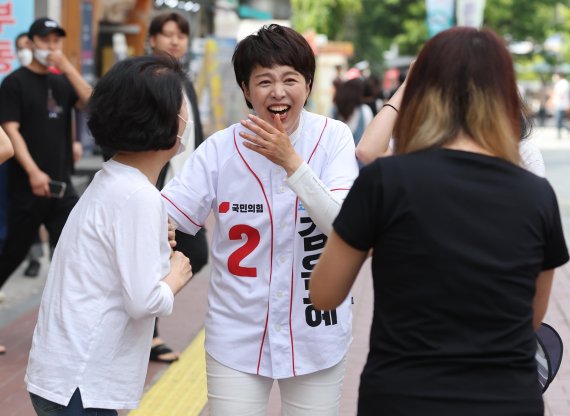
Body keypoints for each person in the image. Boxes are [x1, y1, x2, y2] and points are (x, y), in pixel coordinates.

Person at [310, 27, 569, 416]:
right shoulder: (536, 195)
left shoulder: (386, 182)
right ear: (504, 94)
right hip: (506, 399)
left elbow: (325, 294)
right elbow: (531, 315)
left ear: (423, 92)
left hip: (403, 397)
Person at [161, 24, 358, 415]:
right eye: (264, 81)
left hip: (316, 332)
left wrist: (291, 163)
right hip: (237, 333)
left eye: (290, 79)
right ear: (246, 90)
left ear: (308, 84)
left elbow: (344, 226)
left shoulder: (334, 138)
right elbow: (168, 214)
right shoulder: (220, 148)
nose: (278, 92)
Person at [25, 55, 193, 415]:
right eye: (181, 105)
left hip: (61, 373)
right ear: (166, 121)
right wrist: (176, 276)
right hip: (83, 382)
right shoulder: (140, 197)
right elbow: (144, 300)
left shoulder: (112, 179)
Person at [0, 18, 92, 292]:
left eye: (55, 40)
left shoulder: (62, 81)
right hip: (27, 188)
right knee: (12, 254)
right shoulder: (14, 83)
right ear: (30, 43)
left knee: (74, 253)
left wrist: (67, 67)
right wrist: (33, 172)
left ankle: (67, 321)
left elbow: (92, 103)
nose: (51, 46)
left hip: (61, 187)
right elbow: (10, 131)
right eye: (44, 40)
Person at [146, 11, 208, 364]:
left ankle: (146, 328)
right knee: (164, 258)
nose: (174, 41)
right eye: (167, 34)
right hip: (157, 189)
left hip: (184, 191)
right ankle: (148, 334)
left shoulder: (182, 81)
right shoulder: (149, 79)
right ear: (152, 39)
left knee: (194, 255)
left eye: (180, 35)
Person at [333, 78, 374, 149]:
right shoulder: (365, 110)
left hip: (336, 154)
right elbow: (370, 137)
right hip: (357, 157)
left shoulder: (335, 108)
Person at [551, 72, 570, 139]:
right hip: (558, 104)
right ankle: (559, 134)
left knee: (559, 120)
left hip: (561, 105)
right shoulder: (558, 83)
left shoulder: (564, 83)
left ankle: (565, 131)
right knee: (559, 120)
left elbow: (561, 94)